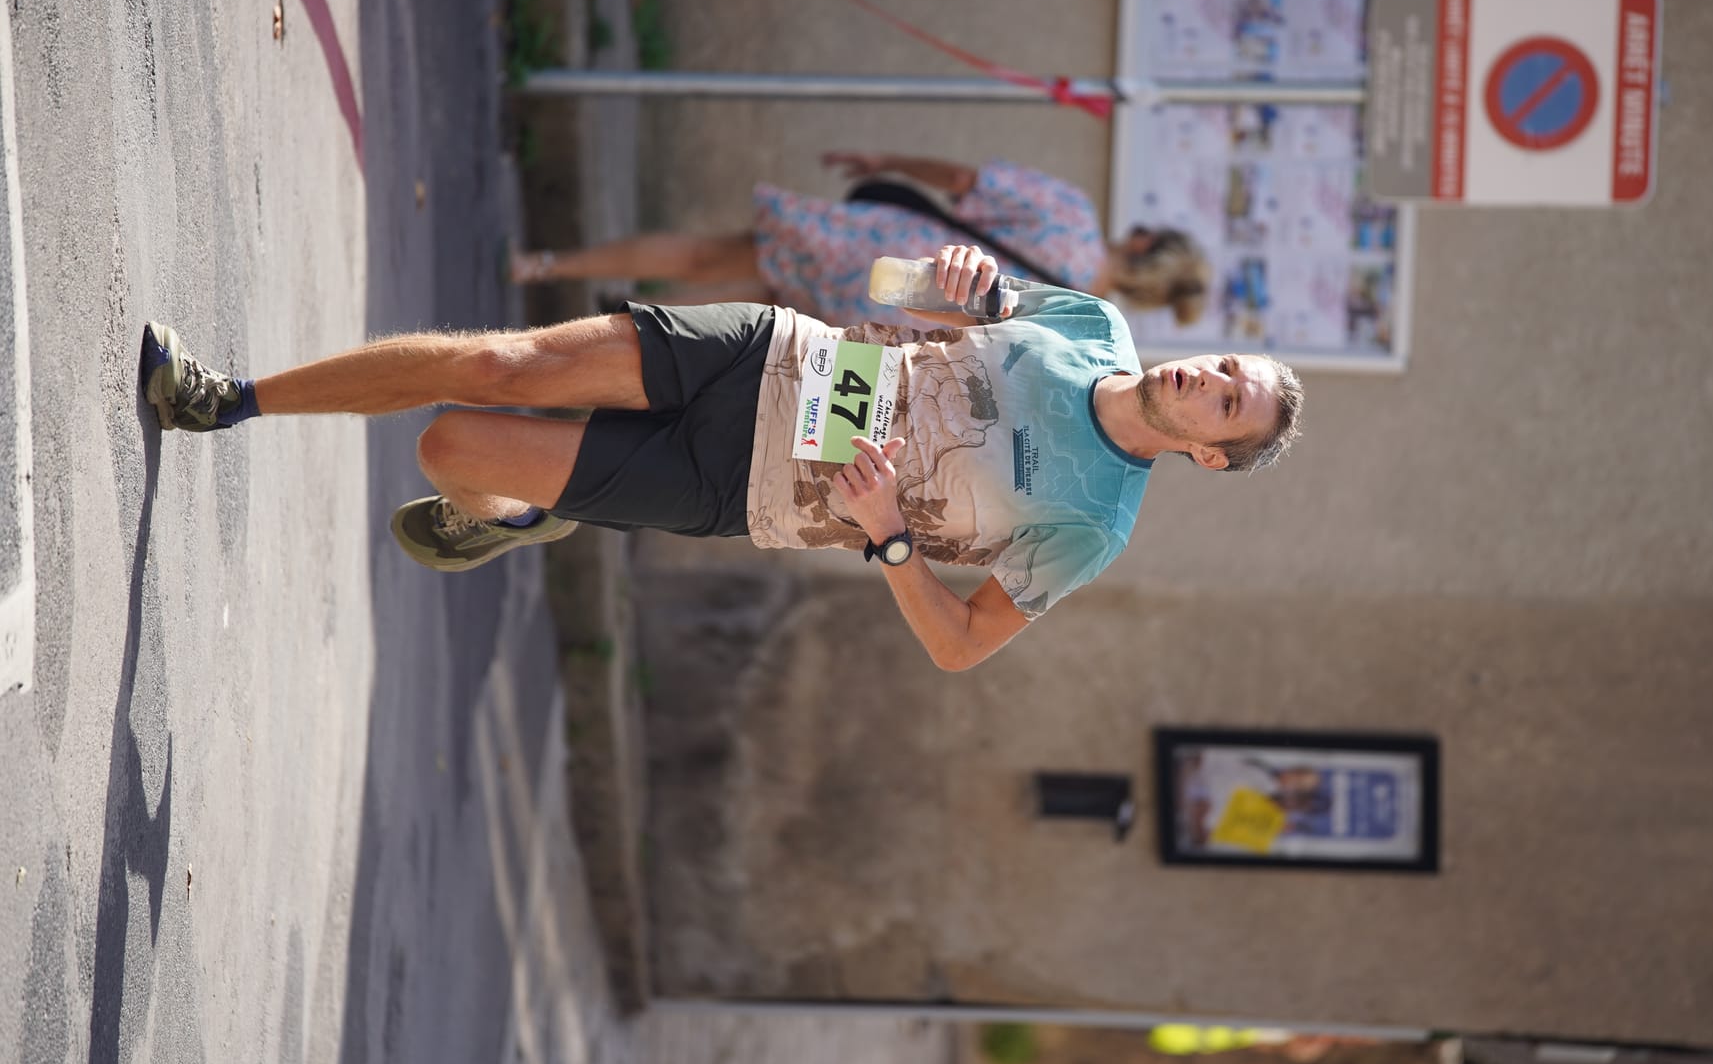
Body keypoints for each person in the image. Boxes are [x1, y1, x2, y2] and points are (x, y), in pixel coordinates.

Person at [140, 245, 1302, 671]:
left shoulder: (1093, 524)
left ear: (1206, 457)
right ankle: (222, 401)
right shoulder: (1093, 324)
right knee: (497, 366)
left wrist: (892, 536)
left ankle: (503, 509)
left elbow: (957, 646)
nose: (1206, 379)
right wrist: (946, 285)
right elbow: (881, 288)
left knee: (451, 444)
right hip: (778, 355)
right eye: (1223, 366)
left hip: (746, 487)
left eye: (1225, 406)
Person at [510, 152, 1214, 327]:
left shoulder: (1072, 218)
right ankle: (600, 324)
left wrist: (886, 162)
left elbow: (968, 179)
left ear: (1144, 240)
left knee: (708, 255)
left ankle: (546, 265)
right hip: (881, 314)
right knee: (736, 308)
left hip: (881, 250)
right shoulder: (1068, 320)